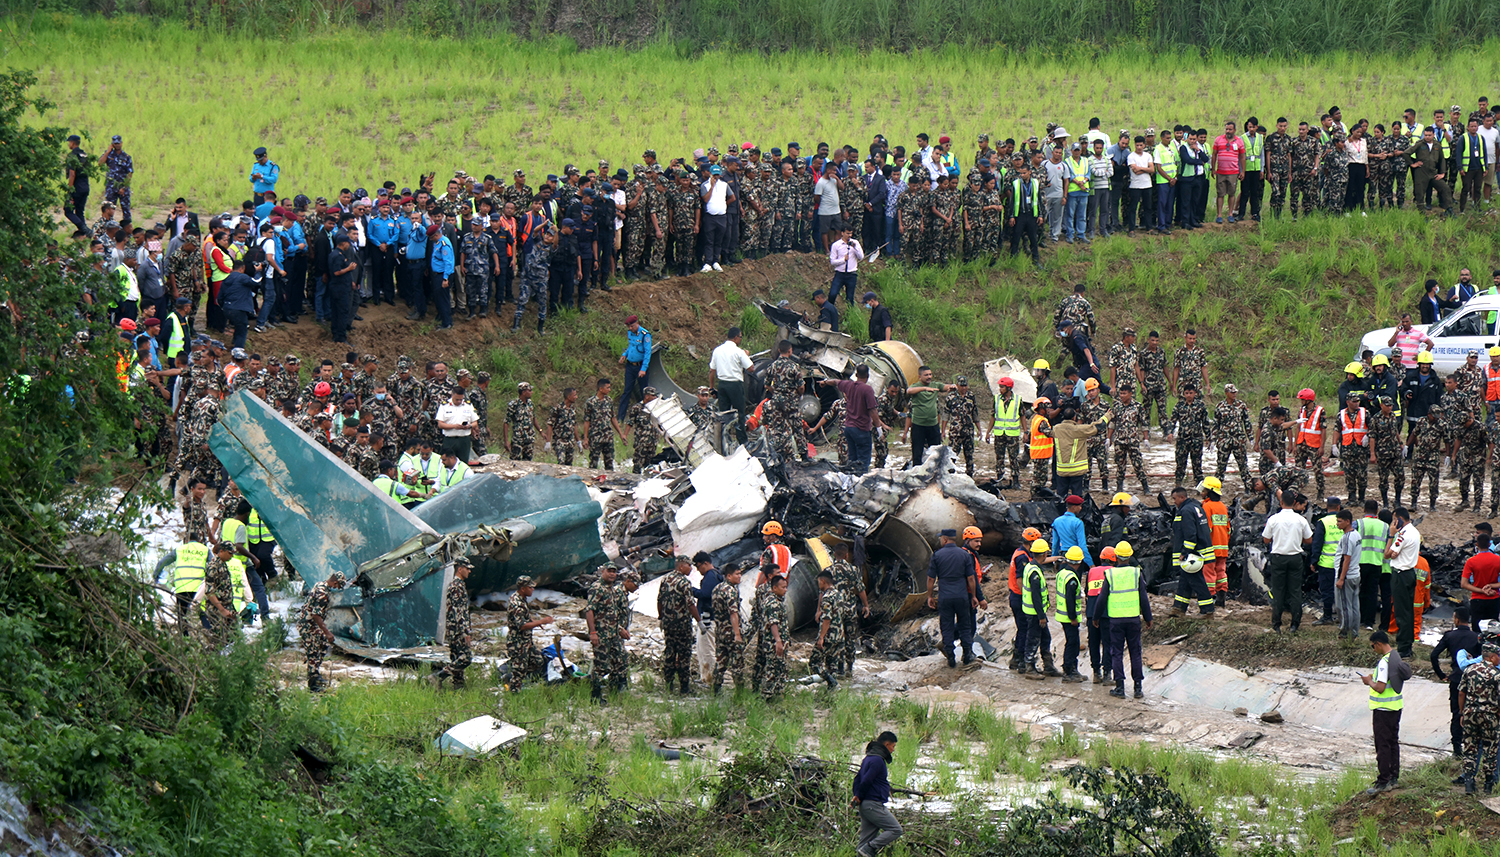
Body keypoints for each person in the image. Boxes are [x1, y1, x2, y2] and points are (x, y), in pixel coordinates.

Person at [1095, 540, 1152, 699]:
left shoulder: (1111, 574)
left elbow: (1102, 599)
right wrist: (1148, 618)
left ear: (1116, 557)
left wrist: (1096, 617)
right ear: (1130, 556)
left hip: (1116, 621)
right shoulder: (1136, 573)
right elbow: (1144, 598)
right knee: (1135, 652)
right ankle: (1138, 688)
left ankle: (1119, 687)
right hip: (1133, 619)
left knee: (1117, 653)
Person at [926, 528, 984, 667]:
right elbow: (971, 577)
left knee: (947, 626)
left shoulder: (937, 555)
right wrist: (974, 596)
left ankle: (951, 657)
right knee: (965, 625)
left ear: (945, 539)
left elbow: (930, 578)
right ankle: (967, 654)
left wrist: (930, 596)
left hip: (945, 596)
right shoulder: (964, 554)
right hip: (962, 596)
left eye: (941, 538)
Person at [1432, 606, 1482, 760]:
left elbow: (1434, 655)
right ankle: (1473, 747)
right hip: (1474, 679)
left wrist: (1441, 675)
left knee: (1457, 713)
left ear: (1456, 619)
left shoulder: (1449, 636)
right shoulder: (1476, 637)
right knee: (1474, 712)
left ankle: (1457, 749)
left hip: (1456, 679)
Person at [1362, 631, 1408, 794]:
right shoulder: (1395, 657)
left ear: (1378, 643)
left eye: (1372, 646)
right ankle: (1394, 778)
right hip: (1396, 708)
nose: (1373, 649)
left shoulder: (1384, 662)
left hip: (1383, 710)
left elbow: (1380, 688)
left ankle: (1383, 782)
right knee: (1393, 742)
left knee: (1382, 745)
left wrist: (1369, 681)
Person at [1262, 489, 1313, 633]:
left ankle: (1277, 623)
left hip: (1278, 557)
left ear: (1281, 502)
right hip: (1295, 557)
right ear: (1295, 503)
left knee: (1278, 590)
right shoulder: (1300, 520)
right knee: (1295, 591)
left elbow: (1266, 539)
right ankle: (1295, 624)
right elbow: (1309, 540)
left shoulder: (1273, 519)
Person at [820, 364, 884, 475]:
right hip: (861, 429)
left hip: (848, 428)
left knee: (852, 461)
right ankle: (860, 484)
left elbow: (835, 382)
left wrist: (825, 382)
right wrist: (879, 430)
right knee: (863, 462)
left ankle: (851, 482)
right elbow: (872, 411)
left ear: (856, 375)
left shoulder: (848, 385)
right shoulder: (867, 389)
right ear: (868, 376)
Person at [1457, 643, 1500, 795]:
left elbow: (1461, 693)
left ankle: (1469, 783)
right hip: (1490, 716)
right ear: (1492, 657)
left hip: (1470, 715)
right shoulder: (1496, 674)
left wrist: (1462, 713)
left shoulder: (1469, 670)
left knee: (1470, 748)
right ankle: (1488, 784)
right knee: (1490, 749)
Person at [852, 732, 903, 857]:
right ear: (887, 744)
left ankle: (865, 850)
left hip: (865, 805)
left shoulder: (868, 758)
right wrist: (860, 795)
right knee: (896, 829)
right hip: (873, 805)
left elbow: (857, 779)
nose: (893, 750)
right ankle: (871, 847)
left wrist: (857, 795)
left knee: (863, 843)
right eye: (893, 746)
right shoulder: (878, 760)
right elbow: (867, 780)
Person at [585, 562, 630, 704]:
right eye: (609, 571)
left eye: (614, 572)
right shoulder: (597, 588)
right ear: (603, 572)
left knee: (621, 659)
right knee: (601, 666)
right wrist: (593, 632)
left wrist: (620, 629)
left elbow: (612, 614)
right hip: (601, 634)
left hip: (613, 634)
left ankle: (617, 689)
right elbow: (590, 610)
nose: (612, 574)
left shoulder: (611, 589)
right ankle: (595, 696)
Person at [1168, 485, 1215, 616]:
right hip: (1199, 552)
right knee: (1185, 580)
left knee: (1196, 580)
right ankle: (1179, 608)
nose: (1174, 502)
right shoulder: (1196, 507)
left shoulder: (1186, 511)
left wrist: (1184, 553)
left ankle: (1207, 609)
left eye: (1174, 499)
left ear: (1182, 497)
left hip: (1192, 555)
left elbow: (1190, 535)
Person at [657, 554, 700, 694]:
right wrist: (699, 621)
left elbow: (659, 600)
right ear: (681, 565)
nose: (691, 568)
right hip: (682, 625)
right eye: (689, 565)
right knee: (684, 655)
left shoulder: (666, 579)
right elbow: (690, 604)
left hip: (668, 624)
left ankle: (668, 685)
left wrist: (661, 617)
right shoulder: (684, 583)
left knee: (669, 652)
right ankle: (684, 688)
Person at [298, 571, 346, 692]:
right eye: (338, 586)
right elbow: (316, 615)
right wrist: (327, 632)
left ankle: (316, 674)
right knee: (313, 652)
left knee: (322, 645)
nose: (337, 589)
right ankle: (313, 683)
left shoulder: (320, 584)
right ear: (335, 583)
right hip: (309, 625)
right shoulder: (322, 594)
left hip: (312, 625)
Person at [432, 558, 474, 688]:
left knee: (457, 658)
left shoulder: (457, 585)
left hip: (453, 629)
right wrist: (465, 631)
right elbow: (458, 611)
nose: (469, 571)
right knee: (466, 658)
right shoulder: (457, 586)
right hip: (457, 629)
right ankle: (438, 676)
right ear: (460, 569)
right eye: (467, 568)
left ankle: (458, 686)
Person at [1385, 507, 1422, 658]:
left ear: (1400, 518)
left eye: (1394, 519)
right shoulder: (1413, 531)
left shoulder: (1402, 534)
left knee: (1402, 612)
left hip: (1401, 574)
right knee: (1407, 610)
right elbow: (1393, 554)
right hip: (1409, 573)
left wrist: (1390, 535)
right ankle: (1407, 644)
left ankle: (1404, 647)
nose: (1393, 523)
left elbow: (1387, 554)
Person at [506, 575, 554, 688]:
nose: (533, 590)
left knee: (538, 660)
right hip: (518, 642)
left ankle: (521, 680)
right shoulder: (517, 603)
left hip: (526, 641)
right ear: (523, 588)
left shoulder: (521, 599)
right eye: (530, 587)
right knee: (519, 670)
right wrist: (541, 622)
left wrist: (534, 621)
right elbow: (522, 626)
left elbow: (523, 617)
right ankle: (514, 690)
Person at [709, 326, 754, 445]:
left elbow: (712, 371)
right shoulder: (739, 352)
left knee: (723, 413)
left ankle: (723, 440)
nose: (741, 340)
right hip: (735, 384)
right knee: (739, 412)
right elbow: (751, 368)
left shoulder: (717, 350)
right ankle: (743, 441)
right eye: (740, 337)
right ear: (735, 338)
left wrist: (712, 388)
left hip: (722, 384)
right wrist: (747, 355)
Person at [710, 563, 745, 695]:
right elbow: (733, 613)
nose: (740, 576)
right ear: (729, 576)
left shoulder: (716, 588)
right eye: (737, 574)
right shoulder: (730, 591)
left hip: (719, 631)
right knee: (737, 663)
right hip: (730, 630)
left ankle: (716, 690)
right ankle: (740, 693)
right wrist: (737, 634)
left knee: (720, 661)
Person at [1055, 547, 1087, 682]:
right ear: (1079, 562)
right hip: (1069, 617)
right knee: (1072, 643)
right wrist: (1073, 617)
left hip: (1062, 615)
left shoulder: (1062, 573)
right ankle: (1069, 672)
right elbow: (1070, 599)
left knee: (1073, 642)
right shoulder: (1072, 578)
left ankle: (1072, 669)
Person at [810, 570, 846, 689]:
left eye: (819, 582)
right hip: (839, 635)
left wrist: (821, 637)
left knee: (814, 663)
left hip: (829, 635)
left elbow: (826, 619)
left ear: (823, 581)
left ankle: (832, 682)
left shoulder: (827, 598)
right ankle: (832, 690)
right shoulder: (839, 594)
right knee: (832, 664)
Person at [617, 314, 651, 421]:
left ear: (637, 324)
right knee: (627, 390)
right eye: (629, 327)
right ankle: (620, 417)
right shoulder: (630, 333)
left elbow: (647, 353)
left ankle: (645, 417)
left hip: (640, 366)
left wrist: (643, 369)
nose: (630, 329)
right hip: (630, 366)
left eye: (632, 326)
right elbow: (631, 346)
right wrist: (625, 355)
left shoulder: (645, 335)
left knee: (644, 393)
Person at [1461, 537, 1500, 626]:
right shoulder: (1498, 560)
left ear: (1477, 545)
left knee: (1477, 629)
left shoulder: (1471, 561)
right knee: (1493, 629)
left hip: (1477, 599)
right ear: (1490, 545)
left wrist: (1481, 590)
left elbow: (1463, 584)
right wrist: (1491, 585)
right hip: (1494, 598)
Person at [436, 385, 479, 463]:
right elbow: (440, 424)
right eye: (457, 399)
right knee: (448, 463)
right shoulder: (444, 406)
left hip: (464, 439)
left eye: (461, 399)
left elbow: (475, 422)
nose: (459, 401)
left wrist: (469, 426)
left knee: (463, 463)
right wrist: (454, 426)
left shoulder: (468, 405)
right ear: (452, 395)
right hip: (450, 440)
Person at [829, 225, 864, 306]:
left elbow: (861, 257)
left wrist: (855, 247)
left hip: (851, 274)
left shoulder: (855, 243)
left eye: (851, 233)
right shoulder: (836, 245)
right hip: (840, 273)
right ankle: (830, 311)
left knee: (850, 298)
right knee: (832, 294)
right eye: (847, 233)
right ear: (842, 233)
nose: (849, 235)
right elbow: (832, 261)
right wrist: (843, 260)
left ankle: (849, 315)